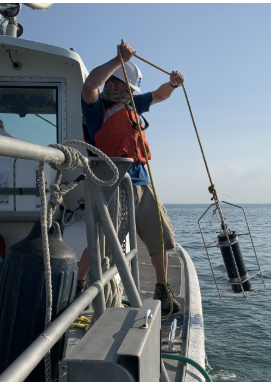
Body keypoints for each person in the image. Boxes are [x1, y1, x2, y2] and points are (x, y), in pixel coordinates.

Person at [77, 39, 184, 315]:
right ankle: (76, 286)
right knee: (101, 240)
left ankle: (162, 290)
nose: (111, 85)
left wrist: (172, 84)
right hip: (112, 183)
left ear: (129, 88)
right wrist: (119, 61)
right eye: (110, 81)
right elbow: (90, 85)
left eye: (117, 82)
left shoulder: (135, 105)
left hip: (141, 181)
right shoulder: (96, 108)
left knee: (160, 234)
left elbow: (160, 95)